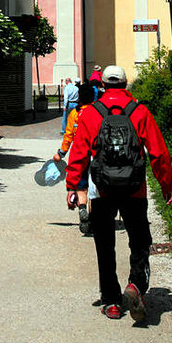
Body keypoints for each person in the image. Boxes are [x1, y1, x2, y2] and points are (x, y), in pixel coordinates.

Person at [65, 65, 172, 322]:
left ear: (102, 86)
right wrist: (166, 184)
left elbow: (79, 153)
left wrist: (72, 186)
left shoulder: (91, 113)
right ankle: (135, 286)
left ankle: (112, 301)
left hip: (102, 190)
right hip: (135, 189)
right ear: (126, 85)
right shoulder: (140, 112)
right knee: (139, 240)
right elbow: (158, 153)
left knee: (105, 244)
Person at [53, 81, 94, 234]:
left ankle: (82, 208)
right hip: (95, 155)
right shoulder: (97, 112)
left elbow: (68, 135)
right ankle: (92, 216)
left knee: (81, 186)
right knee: (95, 189)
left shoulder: (74, 114)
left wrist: (61, 153)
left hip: (79, 154)